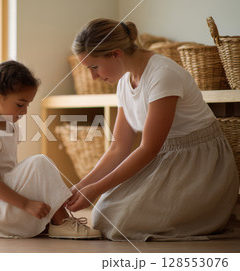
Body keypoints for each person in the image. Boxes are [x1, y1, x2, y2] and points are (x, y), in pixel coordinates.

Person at [66, 18, 239, 241]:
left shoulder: (163, 74)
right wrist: (82, 186)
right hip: (165, 158)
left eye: (94, 67)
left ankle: (204, 216)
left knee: (121, 223)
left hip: (197, 163)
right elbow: (118, 147)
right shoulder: (123, 82)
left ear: (116, 54)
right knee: (104, 216)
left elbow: (149, 148)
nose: (93, 77)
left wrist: (96, 189)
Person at [0, 60, 101, 239]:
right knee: (39, 162)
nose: (24, 111)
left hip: (2, 194)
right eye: (20, 104)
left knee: (39, 164)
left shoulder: (11, 126)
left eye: (27, 105)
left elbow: (10, 174)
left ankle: (56, 221)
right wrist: (26, 204)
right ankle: (61, 222)